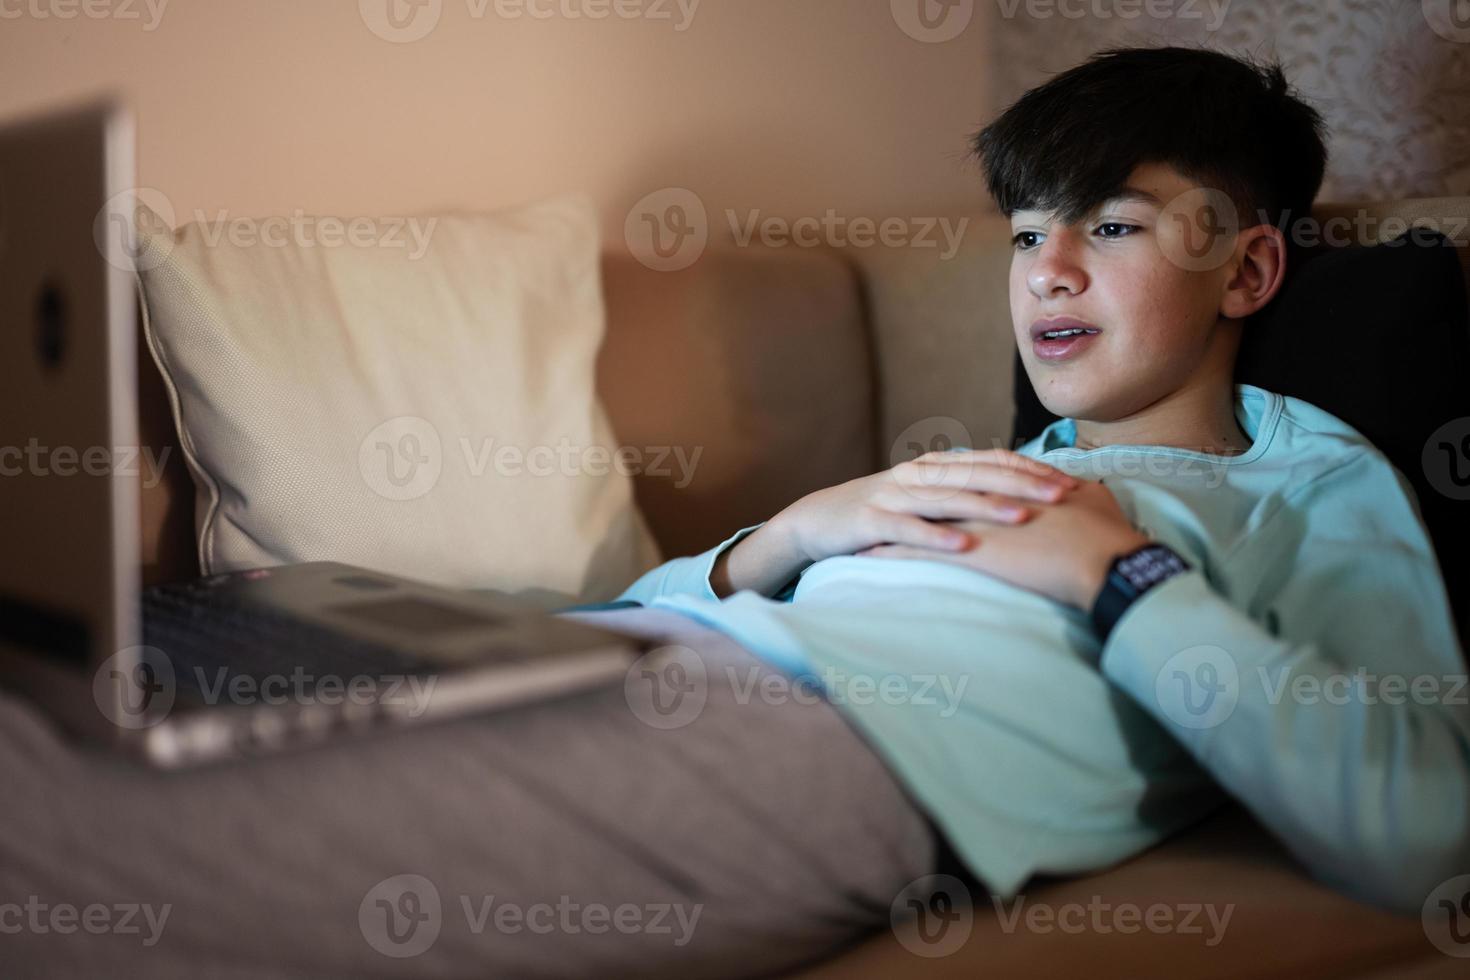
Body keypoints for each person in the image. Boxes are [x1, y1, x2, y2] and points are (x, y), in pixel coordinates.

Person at [3, 45, 1464, 979]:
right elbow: (676, 603)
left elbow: (1415, 826)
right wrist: (788, 536)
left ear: (1250, 272)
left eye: (1114, 225)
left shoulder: (1310, 484)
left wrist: (1124, 576)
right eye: (1026, 232)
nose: (1046, 271)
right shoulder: (974, 461)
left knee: (66, 838)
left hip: (854, 744)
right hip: (616, 647)